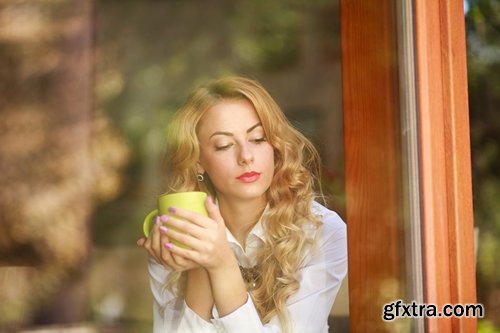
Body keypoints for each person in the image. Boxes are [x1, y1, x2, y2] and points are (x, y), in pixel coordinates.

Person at [136, 76, 347, 332]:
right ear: (198, 161)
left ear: (275, 147)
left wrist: (221, 263)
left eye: (258, 139)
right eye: (224, 145)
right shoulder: (176, 236)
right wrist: (200, 264)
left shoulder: (322, 232)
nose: (246, 157)